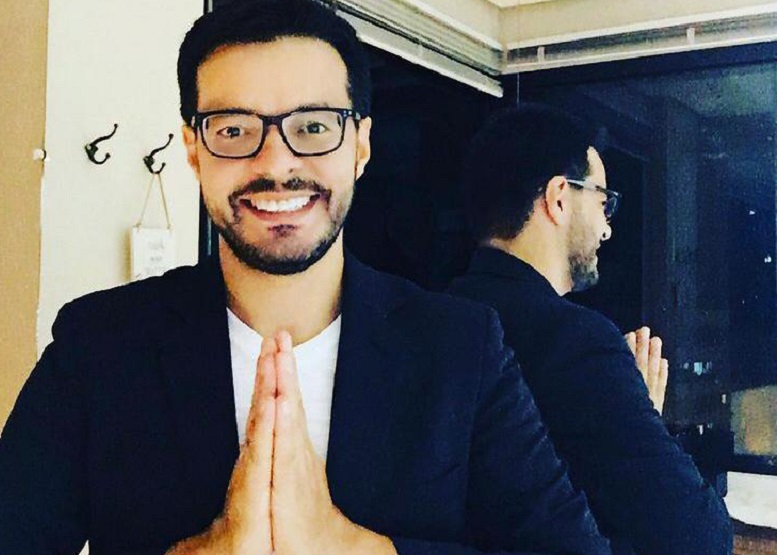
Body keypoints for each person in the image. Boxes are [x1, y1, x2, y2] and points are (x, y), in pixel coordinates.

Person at [0, 4, 610, 555]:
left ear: (361, 145)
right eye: (233, 130)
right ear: (192, 150)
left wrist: (351, 548)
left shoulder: (462, 350)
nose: (276, 163)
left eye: (314, 127)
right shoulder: (99, 346)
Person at [449, 105, 733, 555]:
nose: (606, 229)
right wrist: (642, 413)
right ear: (559, 197)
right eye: (604, 202)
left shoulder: (437, 319)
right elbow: (700, 536)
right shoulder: (579, 343)